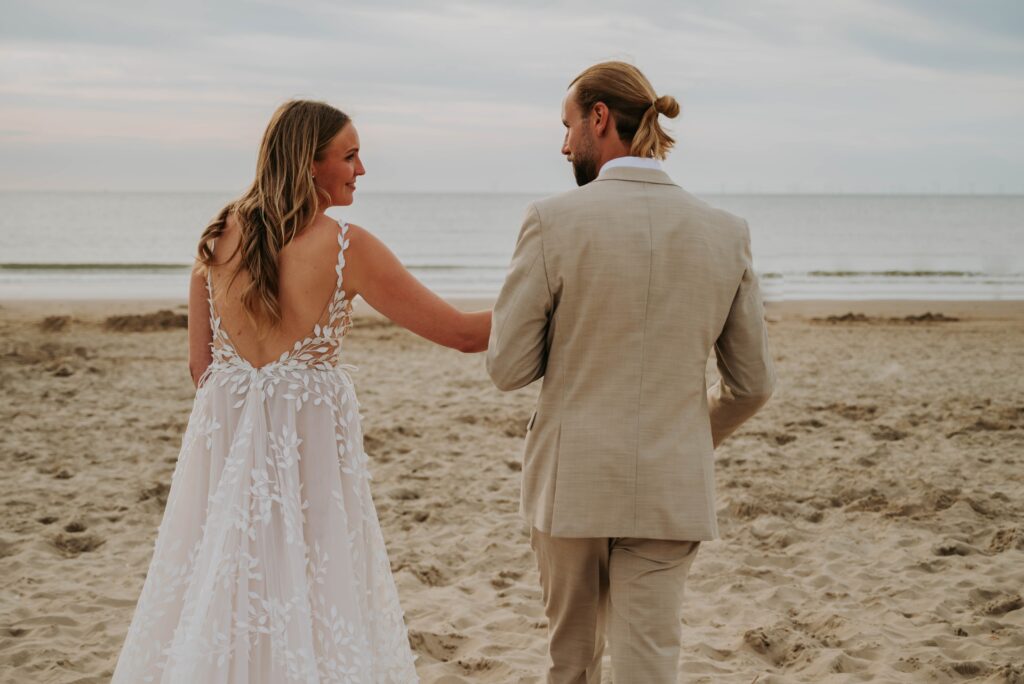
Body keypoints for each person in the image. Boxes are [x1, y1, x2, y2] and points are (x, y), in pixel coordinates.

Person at [111, 99, 490, 682]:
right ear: (309, 164)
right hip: (310, 476)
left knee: (228, 596)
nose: (361, 170)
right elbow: (464, 335)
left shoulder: (215, 238)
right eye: (351, 155)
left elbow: (201, 370)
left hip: (226, 469)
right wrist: (555, 298)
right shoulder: (347, 248)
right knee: (314, 597)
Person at [486, 62, 776, 683]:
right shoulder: (727, 234)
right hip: (670, 483)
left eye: (567, 125)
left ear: (598, 119)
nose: (563, 144)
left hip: (571, 485)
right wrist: (692, 432)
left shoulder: (551, 221)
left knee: (571, 665)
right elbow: (753, 385)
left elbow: (507, 368)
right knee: (650, 669)